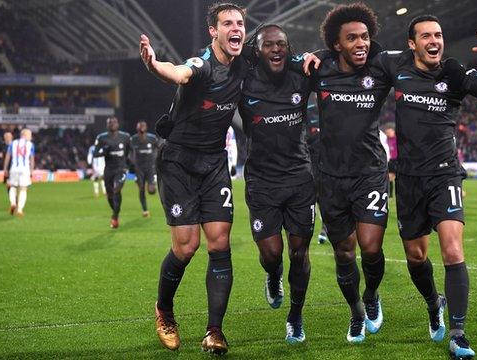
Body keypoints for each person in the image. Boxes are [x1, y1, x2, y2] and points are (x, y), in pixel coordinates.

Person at [383, 15, 477, 359]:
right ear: (412, 43)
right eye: (426, 35)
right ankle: (432, 303)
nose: (434, 40)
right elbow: (354, 53)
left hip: (445, 176)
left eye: (438, 34)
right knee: (416, 256)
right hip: (409, 179)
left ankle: (458, 333)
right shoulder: (396, 67)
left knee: (453, 251)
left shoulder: (454, 73)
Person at [140, 2, 248, 354]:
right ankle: (165, 311)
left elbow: (278, 50)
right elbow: (180, 72)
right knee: (186, 247)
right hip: (179, 163)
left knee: (219, 244)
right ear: (213, 32)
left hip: (214, 162)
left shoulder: (244, 61)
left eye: (240, 23)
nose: (236, 29)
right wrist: (155, 65)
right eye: (227, 23)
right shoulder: (202, 65)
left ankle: (214, 331)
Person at [303, 3, 392, 343]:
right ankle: (355, 311)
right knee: (343, 251)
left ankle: (371, 295)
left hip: (369, 171)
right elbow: (286, 73)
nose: (361, 43)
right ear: (335, 44)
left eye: (365, 37)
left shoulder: (380, 67)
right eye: (352, 38)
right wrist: (310, 56)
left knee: (370, 248)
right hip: (330, 175)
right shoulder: (320, 69)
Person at [238, 24, 314, 343]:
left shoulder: (302, 77)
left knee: (299, 252)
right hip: (261, 180)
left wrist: (305, 58)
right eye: (268, 45)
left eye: (281, 44)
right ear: (257, 51)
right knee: (272, 254)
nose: (276, 49)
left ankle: (295, 317)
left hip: (299, 176)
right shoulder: (243, 81)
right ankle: (272, 276)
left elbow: (327, 63)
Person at [93, 116, 131, 229]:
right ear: (107, 125)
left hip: (121, 169)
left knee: (116, 189)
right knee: (110, 195)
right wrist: (104, 151)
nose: (112, 124)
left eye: (114, 122)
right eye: (110, 123)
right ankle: (115, 213)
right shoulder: (101, 138)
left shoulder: (125, 137)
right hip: (109, 169)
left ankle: (115, 216)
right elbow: (95, 153)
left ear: (118, 124)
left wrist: (128, 164)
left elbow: (129, 151)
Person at [130, 121, 159, 216]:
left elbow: (159, 148)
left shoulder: (152, 138)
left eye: (143, 125)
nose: (142, 127)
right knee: (141, 189)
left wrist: (157, 159)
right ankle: (145, 210)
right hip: (139, 169)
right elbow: (129, 152)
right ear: (137, 127)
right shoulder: (133, 139)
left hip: (150, 167)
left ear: (146, 127)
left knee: (151, 191)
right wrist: (131, 163)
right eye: (140, 125)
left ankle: (150, 184)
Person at [3, 129, 34, 217]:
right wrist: (31, 171)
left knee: (13, 187)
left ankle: (13, 203)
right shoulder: (30, 145)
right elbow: (32, 159)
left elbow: (8, 157)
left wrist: (5, 169)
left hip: (14, 168)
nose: (31, 137)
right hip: (25, 169)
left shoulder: (13, 143)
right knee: (23, 188)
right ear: (25, 135)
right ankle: (20, 209)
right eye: (30, 135)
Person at [0, 131, 13, 197]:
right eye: (6, 136)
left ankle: (14, 197)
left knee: (14, 183)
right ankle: (12, 198)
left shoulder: (14, 145)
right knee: (8, 183)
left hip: (14, 166)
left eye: (8, 136)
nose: (7, 138)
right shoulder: (2, 146)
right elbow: (0, 155)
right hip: (6, 167)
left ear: (11, 137)